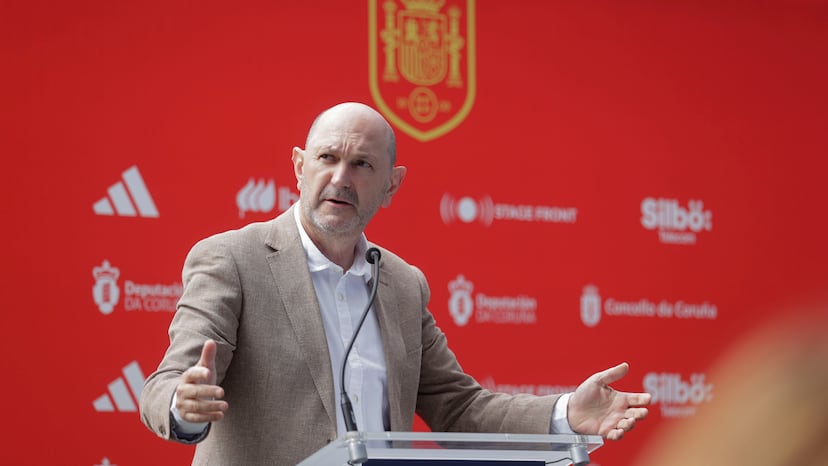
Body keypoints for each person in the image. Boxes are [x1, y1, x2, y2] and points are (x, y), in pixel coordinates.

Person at [139, 102, 651, 465]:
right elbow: (166, 384)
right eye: (327, 158)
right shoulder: (233, 259)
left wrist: (566, 412)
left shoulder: (403, 285)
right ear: (298, 167)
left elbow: (459, 407)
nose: (341, 177)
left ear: (391, 185)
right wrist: (185, 406)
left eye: (361, 164)